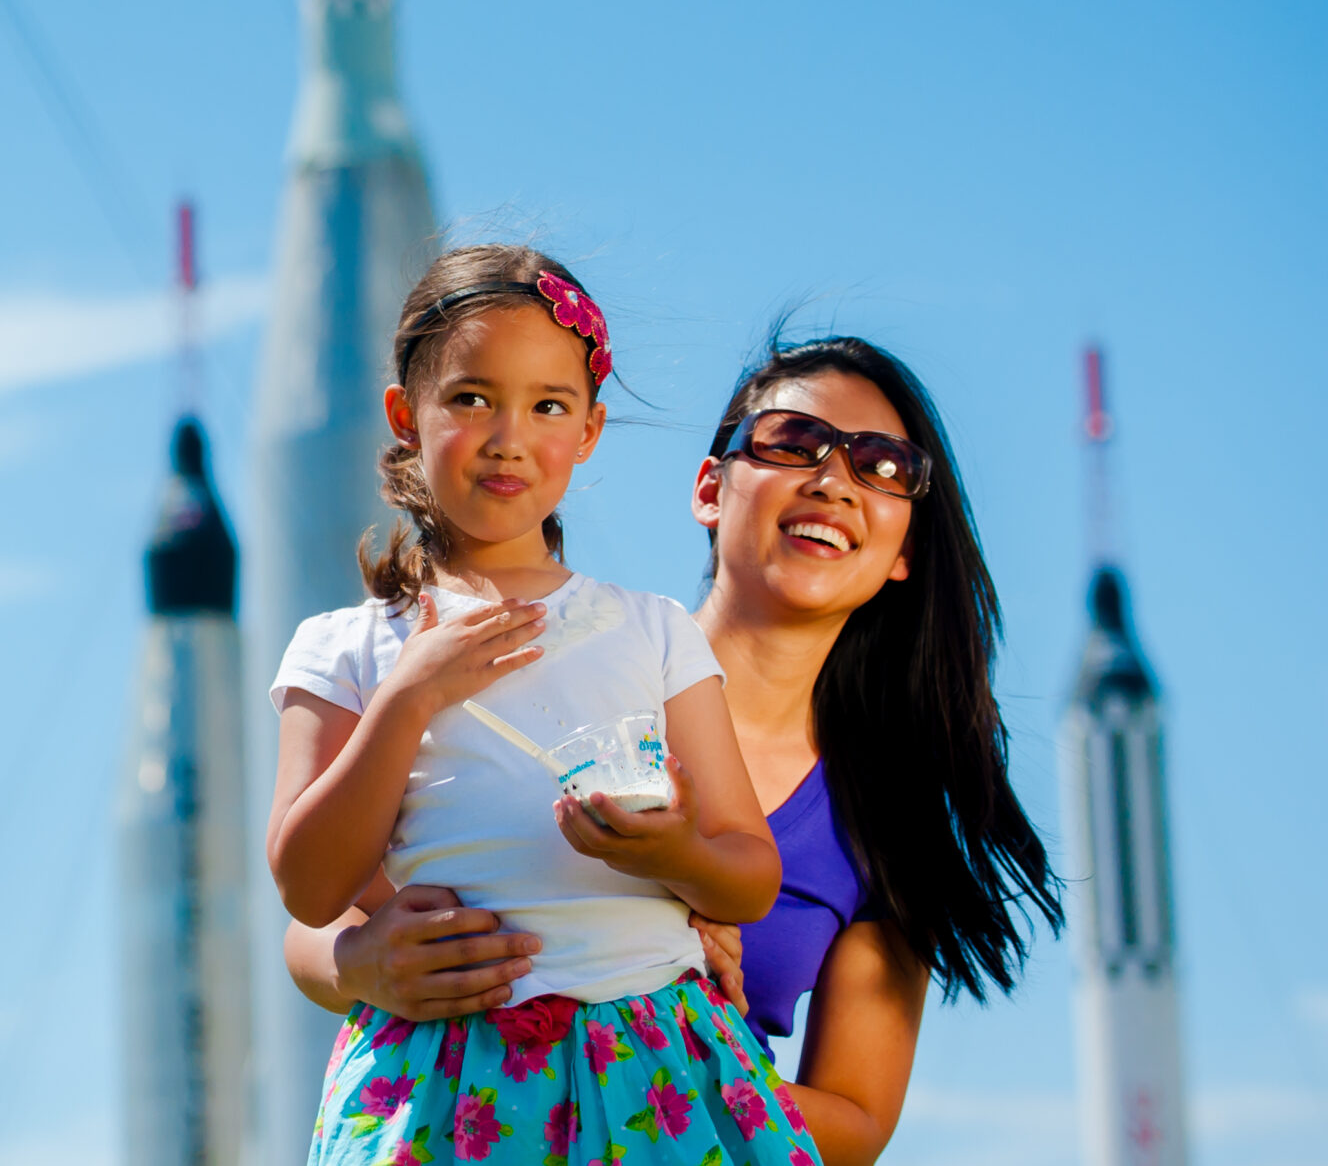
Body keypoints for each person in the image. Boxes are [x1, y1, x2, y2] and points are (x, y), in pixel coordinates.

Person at [283, 331, 1062, 1165]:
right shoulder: (585, 652)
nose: (833, 479)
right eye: (793, 443)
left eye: (882, 465)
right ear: (710, 488)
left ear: (906, 546)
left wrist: (656, 1062)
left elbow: (859, 1119)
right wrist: (362, 965)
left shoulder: (884, 824)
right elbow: (319, 911)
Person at [268, 244, 809, 1166]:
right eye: (472, 397)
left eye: (548, 405)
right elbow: (310, 886)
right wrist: (406, 699)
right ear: (408, 416)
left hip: (654, 1063)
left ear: (590, 431)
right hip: (445, 1073)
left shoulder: (653, 630)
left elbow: (748, 872)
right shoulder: (346, 647)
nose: (508, 434)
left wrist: (675, 850)